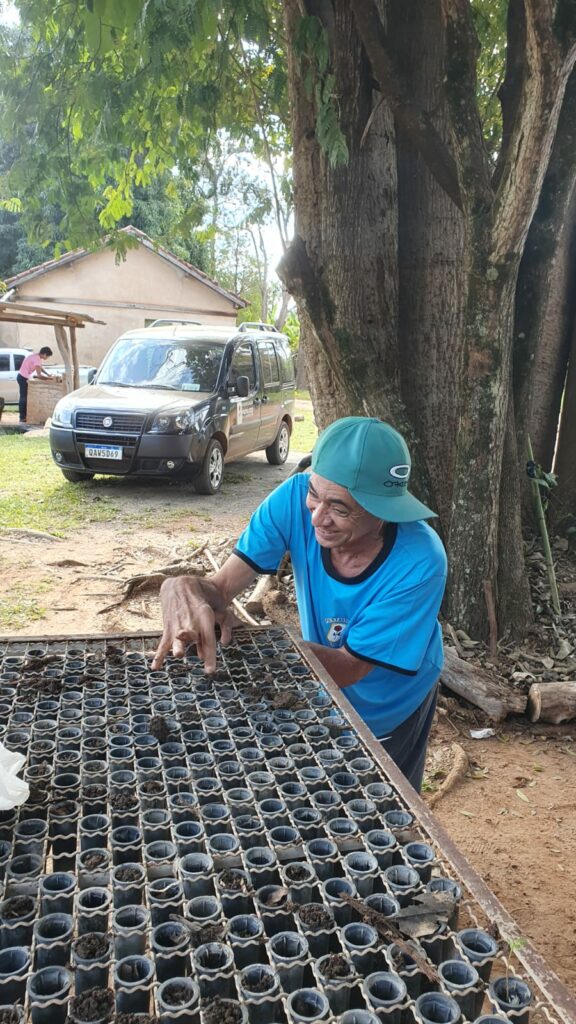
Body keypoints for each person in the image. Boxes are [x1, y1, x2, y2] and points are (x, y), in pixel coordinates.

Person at [153, 416, 447, 791]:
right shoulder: (293, 498)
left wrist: (261, 648)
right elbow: (222, 587)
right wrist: (182, 588)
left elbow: (350, 668)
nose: (317, 518)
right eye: (315, 495)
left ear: (383, 513)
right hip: (319, 679)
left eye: (340, 508)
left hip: (387, 700)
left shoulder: (420, 562)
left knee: (382, 806)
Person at [16, 346, 58, 423]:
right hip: (22, 378)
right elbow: (39, 375)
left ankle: (24, 416)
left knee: (25, 397)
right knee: (23, 397)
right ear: (45, 354)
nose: (47, 358)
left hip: (22, 376)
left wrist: (48, 374)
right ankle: (22, 417)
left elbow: (40, 368)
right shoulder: (37, 359)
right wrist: (50, 379)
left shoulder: (36, 356)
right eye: (48, 356)